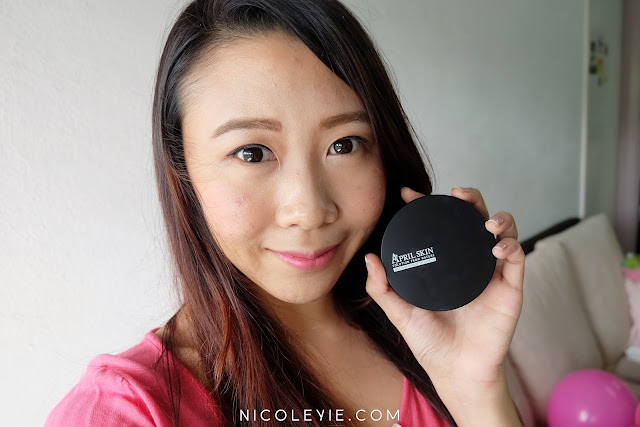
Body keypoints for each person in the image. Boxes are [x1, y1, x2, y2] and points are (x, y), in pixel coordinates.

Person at [45, 0, 525, 426]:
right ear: (182, 168)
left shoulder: (414, 330)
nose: (310, 211)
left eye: (345, 144)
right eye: (252, 153)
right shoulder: (127, 412)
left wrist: (475, 389)